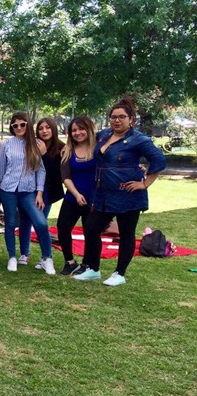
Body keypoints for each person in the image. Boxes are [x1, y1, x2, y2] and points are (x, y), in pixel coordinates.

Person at [74, 98, 166, 286]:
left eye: (121, 117)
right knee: (91, 228)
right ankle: (93, 269)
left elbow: (159, 159)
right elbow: (82, 140)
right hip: (103, 194)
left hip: (128, 195)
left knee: (126, 233)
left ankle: (119, 273)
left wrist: (145, 183)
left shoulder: (138, 139)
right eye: (113, 117)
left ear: (131, 119)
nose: (117, 120)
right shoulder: (104, 135)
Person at [0, 112, 56, 275]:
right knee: (10, 223)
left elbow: (41, 171)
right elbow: (2, 168)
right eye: (15, 125)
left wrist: (39, 192)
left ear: (28, 125)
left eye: (22, 124)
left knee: (40, 222)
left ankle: (47, 258)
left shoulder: (37, 144)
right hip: (8, 189)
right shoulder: (7, 144)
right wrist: (2, 185)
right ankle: (12, 256)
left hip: (29, 191)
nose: (18, 128)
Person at [20, 117, 65, 270]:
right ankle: (24, 253)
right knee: (25, 220)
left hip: (47, 191)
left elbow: (56, 175)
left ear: (54, 129)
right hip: (28, 189)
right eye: (41, 128)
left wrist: (45, 155)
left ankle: (45, 257)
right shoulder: (32, 145)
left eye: (48, 127)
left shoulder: (61, 148)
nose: (44, 131)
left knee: (40, 222)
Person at [57, 116, 97, 276]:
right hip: (73, 197)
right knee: (63, 228)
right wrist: (76, 194)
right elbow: (65, 177)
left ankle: (87, 263)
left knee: (90, 231)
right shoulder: (67, 151)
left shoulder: (99, 149)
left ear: (88, 130)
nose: (78, 133)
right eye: (74, 130)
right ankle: (70, 262)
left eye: (81, 129)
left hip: (93, 200)